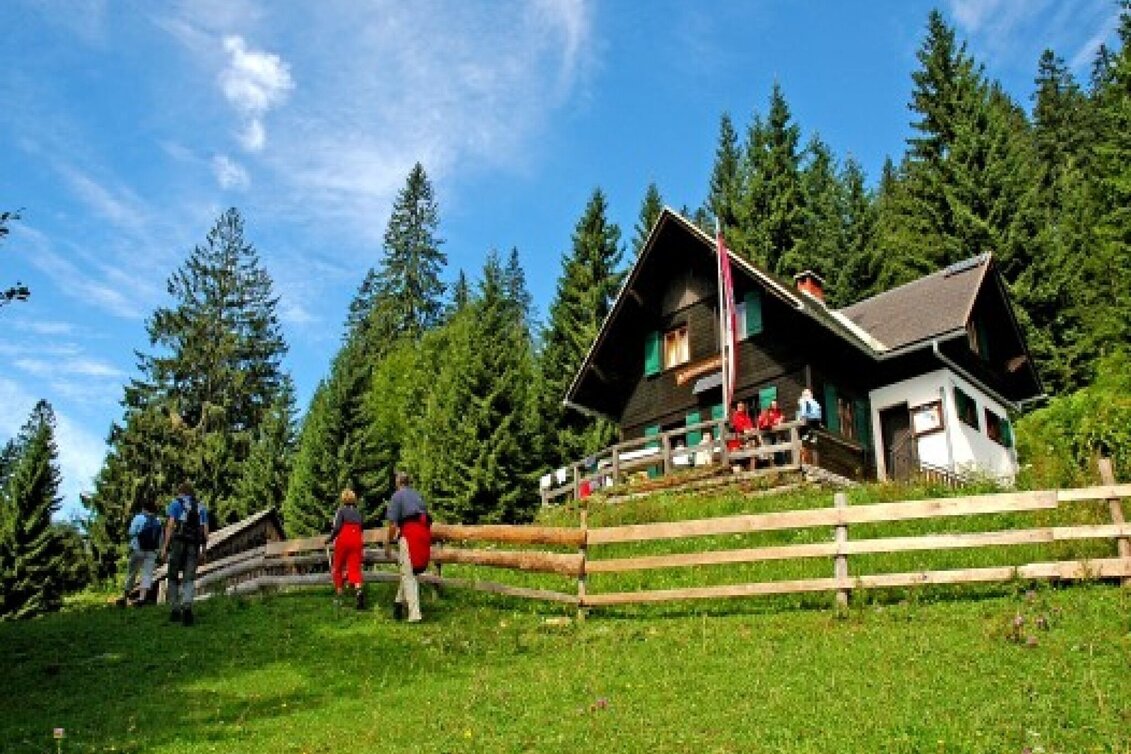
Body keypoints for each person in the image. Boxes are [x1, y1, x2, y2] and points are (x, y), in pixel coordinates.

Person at [384, 472, 431, 623]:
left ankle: (415, 614)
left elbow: (392, 524)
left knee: (408, 574)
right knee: (409, 571)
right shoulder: (417, 495)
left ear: (398, 482)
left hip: (410, 535)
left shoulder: (397, 497)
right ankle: (398, 603)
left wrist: (388, 543)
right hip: (423, 533)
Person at [161, 482, 209, 627]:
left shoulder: (176, 504)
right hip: (193, 545)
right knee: (189, 578)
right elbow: (205, 531)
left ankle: (175, 609)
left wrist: (165, 547)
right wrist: (204, 550)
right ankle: (187, 606)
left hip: (178, 543)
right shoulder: (201, 507)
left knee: (173, 576)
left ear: (180, 492)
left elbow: (170, 525)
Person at [328, 488, 366, 610]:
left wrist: (330, 539)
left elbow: (337, 527)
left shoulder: (341, 511)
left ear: (343, 499)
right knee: (354, 568)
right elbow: (361, 528)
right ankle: (359, 591)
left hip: (344, 539)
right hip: (357, 540)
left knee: (337, 567)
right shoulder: (358, 513)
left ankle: (339, 595)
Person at [120, 500, 162, 606]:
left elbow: (131, 532)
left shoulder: (138, 518)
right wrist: (159, 550)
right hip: (152, 552)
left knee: (132, 573)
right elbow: (160, 538)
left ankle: (125, 597)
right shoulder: (158, 521)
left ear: (144, 509)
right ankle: (142, 599)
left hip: (138, 549)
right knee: (147, 575)